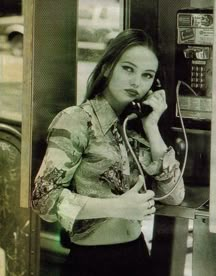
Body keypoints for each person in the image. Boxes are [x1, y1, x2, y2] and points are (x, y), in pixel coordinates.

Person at [32, 28, 185, 276]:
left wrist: (152, 126)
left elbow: (174, 195)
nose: (137, 82)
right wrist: (117, 207)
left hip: (137, 255)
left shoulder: (136, 127)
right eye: (128, 69)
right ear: (107, 68)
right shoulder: (76, 121)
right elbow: (43, 200)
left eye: (147, 75)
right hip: (92, 262)